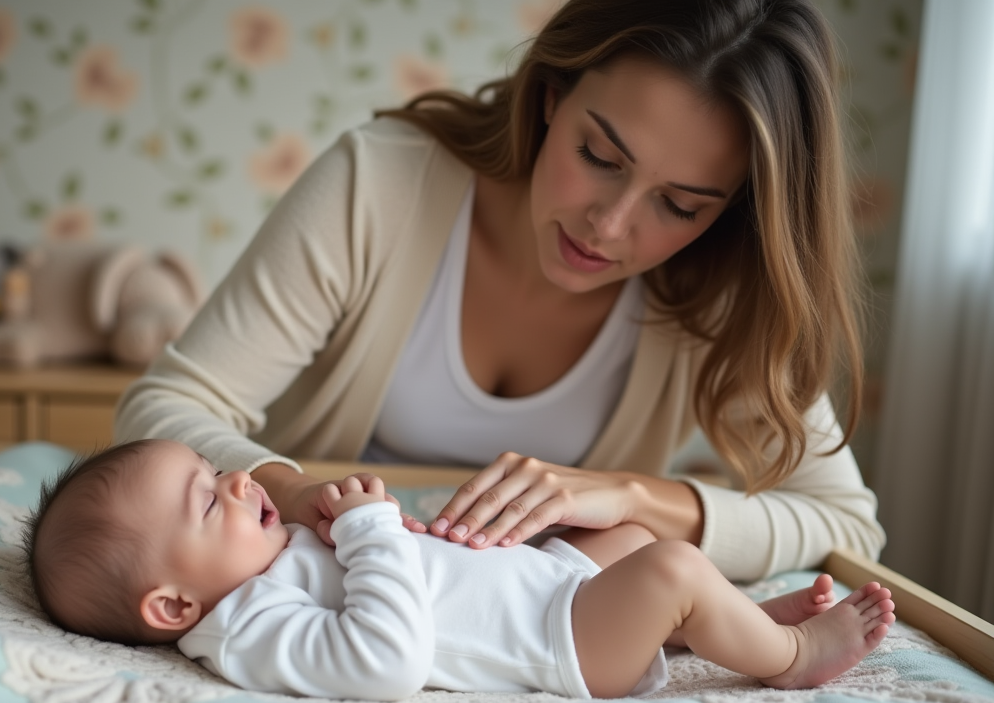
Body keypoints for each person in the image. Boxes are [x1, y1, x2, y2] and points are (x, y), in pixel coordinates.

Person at [115, 0, 884, 584]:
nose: (609, 225)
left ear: (735, 210)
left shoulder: (722, 289)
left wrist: (632, 498)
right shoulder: (378, 188)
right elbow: (164, 409)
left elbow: (845, 523)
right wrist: (297, 494)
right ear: (552, 94)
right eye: (598, 154)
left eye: (679, 205)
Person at [25, 439, 896, 701]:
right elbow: (384, 660)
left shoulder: (256, 565)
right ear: (174, 605)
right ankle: (791, 658)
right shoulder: (247, 631)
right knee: (669, 569)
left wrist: (337, 523)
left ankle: (741, 627)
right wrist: (368, 537)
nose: (239, 480)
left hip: (542, 584)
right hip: (553, 643)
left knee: (632, 536)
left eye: (216, 470)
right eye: (208, 501)